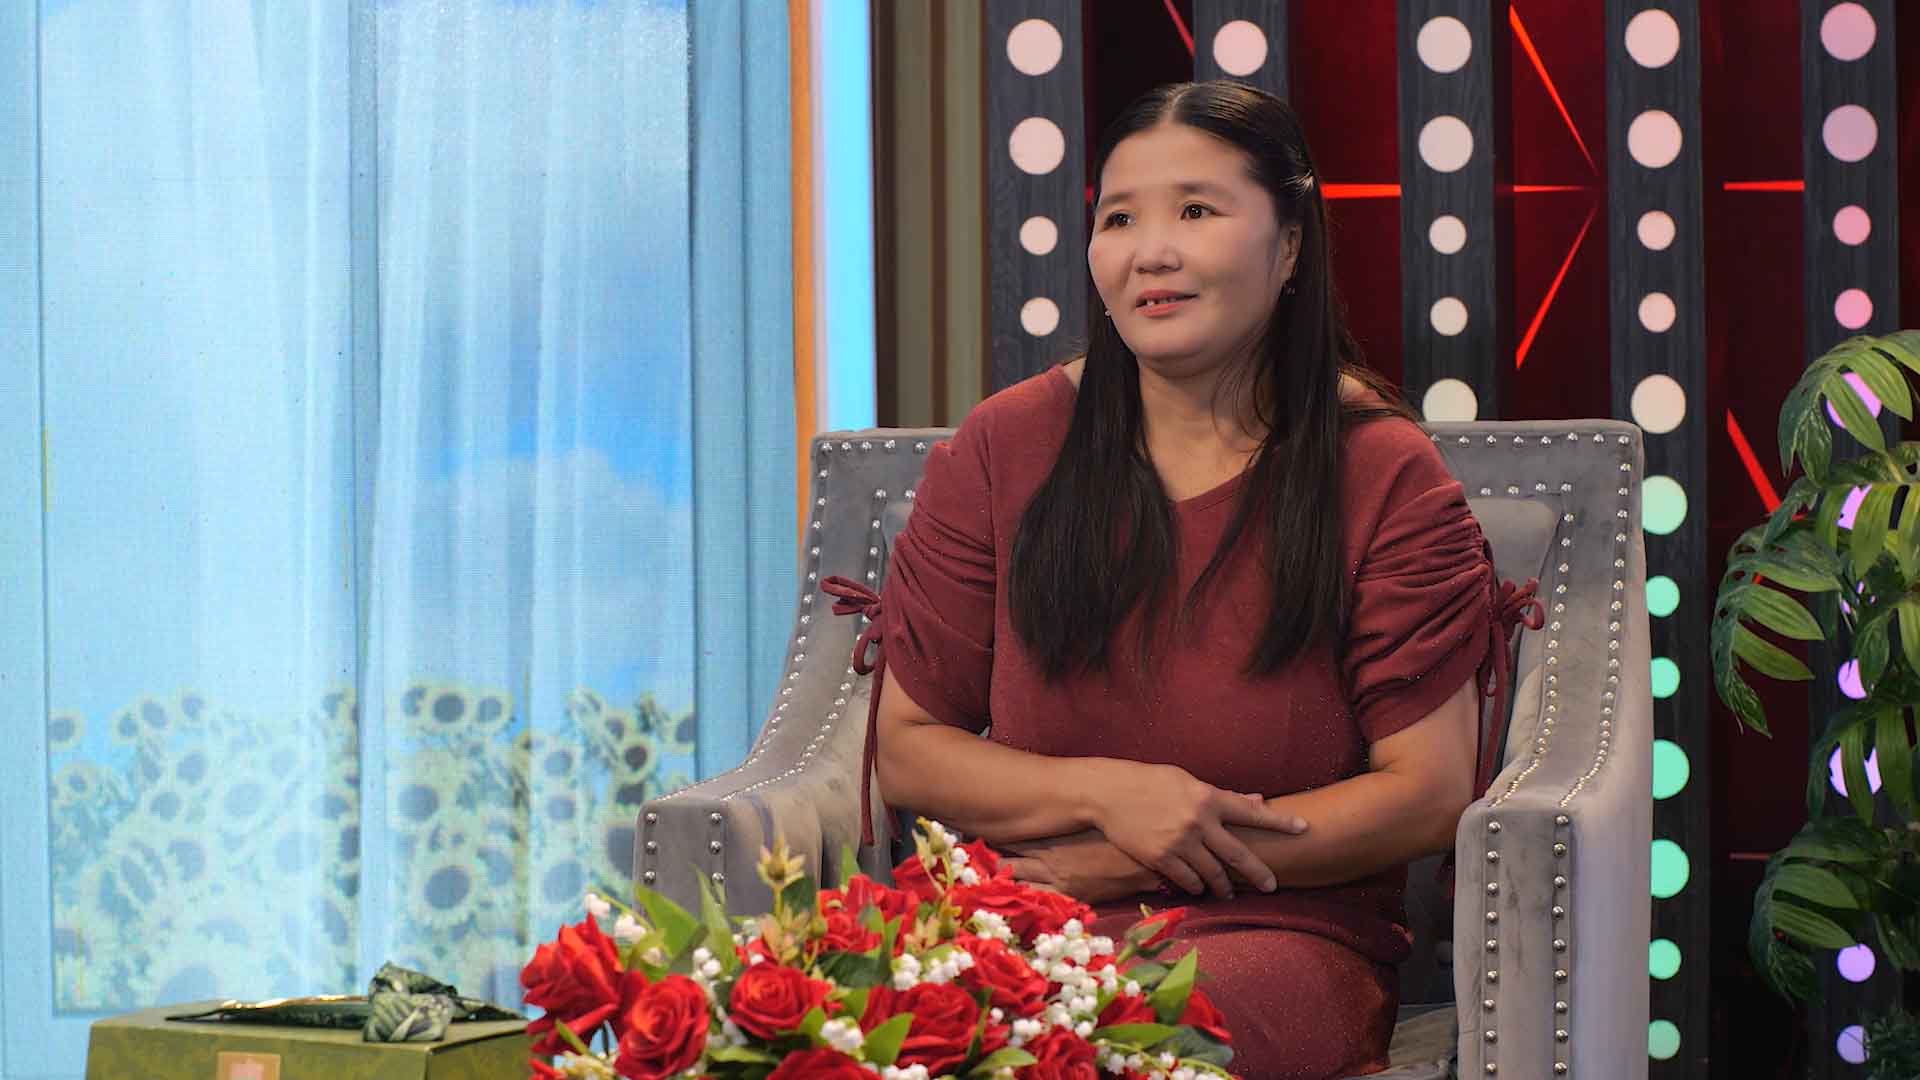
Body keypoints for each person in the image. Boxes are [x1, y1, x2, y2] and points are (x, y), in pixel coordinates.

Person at [839, 81, 1539, 1079]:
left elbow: (1422, 796)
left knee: (1108, 1040)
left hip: (1276, 932)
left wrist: (1137, 862)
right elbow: (909, 750)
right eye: (1120, 219)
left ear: (1289, 245)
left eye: (1196, 210)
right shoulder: (1004, 446)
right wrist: (1113, 795)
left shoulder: (1379, 469)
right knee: (828, 1019)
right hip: (1021, 911)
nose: (1151, 252)